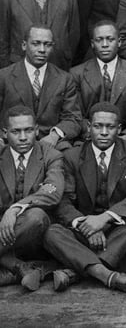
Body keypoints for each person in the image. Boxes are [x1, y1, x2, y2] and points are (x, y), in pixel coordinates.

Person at [43, 102, 126, 297]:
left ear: (119, 129)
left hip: (118, 230)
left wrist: (105, 218)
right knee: (51, 232)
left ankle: (79, 271)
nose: (103, 132)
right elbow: (64, 200)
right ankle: (110, 276)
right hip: (83, 230)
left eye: (110, 127)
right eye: (98, 126)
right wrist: (86, 226)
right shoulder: (71, 156)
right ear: (88, 127)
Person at [0, 106, 64, 291]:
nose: (23, 137)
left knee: (36, 216)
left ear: (36, 130)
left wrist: (15, 208)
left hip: (33, 234)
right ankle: (19, 267)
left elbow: (53, 191)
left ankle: (13, 267)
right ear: (5, 133)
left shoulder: (51, 155)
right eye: (16, 131)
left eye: (28, 130)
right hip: (3, 230)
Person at [0, 25, 82, 150]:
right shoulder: (4, 77)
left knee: (68, 155)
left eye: (47, 45)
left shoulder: (64, 79)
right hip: (11, 143)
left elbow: (73, 118)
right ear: (24, 45)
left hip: (51, 145)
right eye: (36, 44)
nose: (42, 50)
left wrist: (54, 135)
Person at [70, 21, 126, 144]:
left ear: (119, 42)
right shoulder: (77, 74)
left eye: (110, 39)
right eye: (99, 40)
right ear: (92, 44)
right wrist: (92, 133)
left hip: (124, 140)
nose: (105, 44)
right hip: (88, 140)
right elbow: (75, 115)